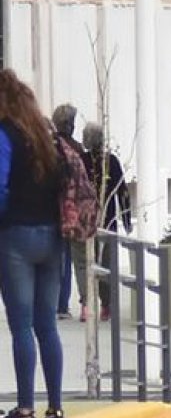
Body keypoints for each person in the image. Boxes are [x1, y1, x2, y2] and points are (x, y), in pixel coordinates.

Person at [0, 69, 65, 418]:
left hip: (17, 238)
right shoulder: (46, 135)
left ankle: (25, 410)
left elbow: (0, 188)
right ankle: (55, 409)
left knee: (21, 326)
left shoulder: (5, 135)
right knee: (47, 326)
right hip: (53, 238)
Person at [82, 123, 132, 321]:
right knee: (107, 265)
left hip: (88, 221)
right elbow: (123, 191)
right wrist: (127, 220)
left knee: (87, 263)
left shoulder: (82, 161)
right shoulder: (111, 161)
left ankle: (88, 303)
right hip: (108, 222)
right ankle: (106, 304)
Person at [52, 103, 86, 319]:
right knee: (76, 259)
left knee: (60, 260)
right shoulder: (78, 150)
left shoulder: (50, 146)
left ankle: (60, 304)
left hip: (55, 210)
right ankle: (67, 304)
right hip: (72, 210)